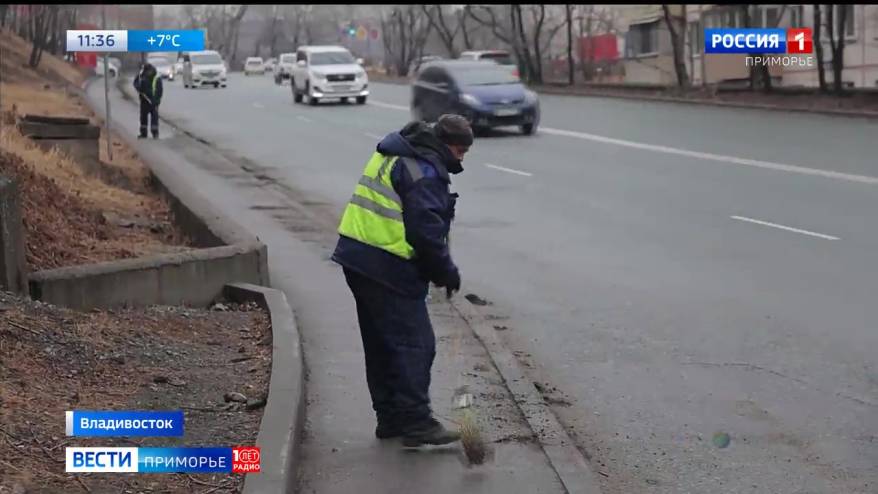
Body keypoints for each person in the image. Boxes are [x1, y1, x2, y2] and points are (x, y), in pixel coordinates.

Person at [332, 114, 473, 447]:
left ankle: (390, 418)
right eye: (460, 150)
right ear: (446, 144)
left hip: (357, 256)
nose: (462, 158)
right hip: (386, 264)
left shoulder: (400, 152)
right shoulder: (422, 171)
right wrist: (446, 273)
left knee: (382, 344)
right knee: (416, 344)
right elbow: (425, 233)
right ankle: (415, 421)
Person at [133, 62, 163, 139]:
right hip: (144, 100)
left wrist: (157, 101)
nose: (148, 73)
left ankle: (155, 133)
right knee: (143, 117)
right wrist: (139, 88)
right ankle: (143, 133)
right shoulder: (141, 75)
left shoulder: (156, 77)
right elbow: (135, 83)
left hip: (153, 101)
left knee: (154, 118)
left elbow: (159, 90)